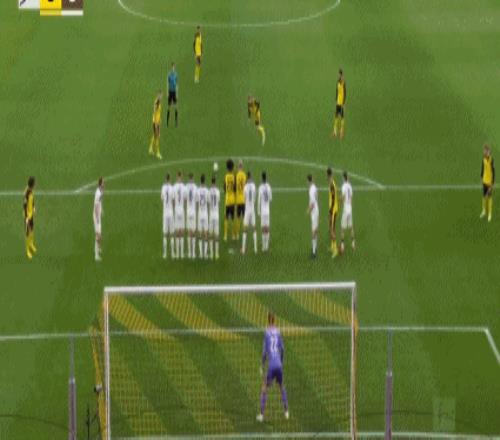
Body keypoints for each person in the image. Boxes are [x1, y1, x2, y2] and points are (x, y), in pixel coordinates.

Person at [256, 312, 289, 422]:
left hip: (271, 366)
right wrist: (281, 361)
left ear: (268, 320)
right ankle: (286, 412)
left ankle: (261, 415)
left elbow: (264, 352)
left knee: (264, 388)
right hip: (279, 364)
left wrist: (262, 365)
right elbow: (283, 349)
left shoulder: (266, 333)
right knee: (281, 386)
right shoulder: (278, 331)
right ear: (275, 320)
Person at [241, 172, 257, 254]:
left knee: (245, 229)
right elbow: (254, 198)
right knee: (254, 228)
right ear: (251, 177)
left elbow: (244, 199)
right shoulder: (254, 186)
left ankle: (243, 249)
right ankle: (255, 249)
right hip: (252, 209)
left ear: (247, 178)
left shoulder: (245, 187)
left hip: (247, 209)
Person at [161, 173, 176, 259]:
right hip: (170, 212)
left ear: (165, 178)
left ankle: (164, 253)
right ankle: (173, 253)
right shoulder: (172, 188)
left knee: (165, 234)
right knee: (172, 233)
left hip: (165, 212)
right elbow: (173, 201)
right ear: (169, 179)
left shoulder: (163, 187)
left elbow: (162, 199)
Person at [340, 171, 355, 252]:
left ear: (343, 178)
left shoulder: (344, 186)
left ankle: (342, 246)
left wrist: (338, 200)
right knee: (351, 227)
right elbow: (351, 197)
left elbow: (343, 196)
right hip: (350, 208)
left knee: (342, 228)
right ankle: (353, 244)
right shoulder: (350, 186)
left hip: (346, 209)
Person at [258, 172, 272, 252]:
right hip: (268, 210)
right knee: (267, 227)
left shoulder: (260, 187)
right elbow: (270, 198)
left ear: (261, 178)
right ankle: (267, 246)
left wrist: (258, 211)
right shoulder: (269, 187)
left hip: (263, 210)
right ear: (266, 178)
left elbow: (259, 200)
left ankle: (264, 246)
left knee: (263, 228)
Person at [173, 171, 186, 259]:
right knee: (181, 230)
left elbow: (173, 200)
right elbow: (185, 200)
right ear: (181, 177)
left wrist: (174, 208)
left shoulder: (174, 187)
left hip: (176, 210)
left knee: (177, 231)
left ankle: (177, 252)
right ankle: (181, 253)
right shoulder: (184, 187)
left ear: (177, 177)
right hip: (181, 209)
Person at [327, 167, 339, 258]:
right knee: (332, 228)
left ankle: (335, 250)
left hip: (333, 210)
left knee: (331, 230)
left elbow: (334, 197)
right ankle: (332, 246)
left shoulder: (331, 184)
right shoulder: (332, 182)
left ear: (328, 175)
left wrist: (331, 211)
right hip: (334, 209)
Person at [480, 144, 495, 222]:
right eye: (484, 151)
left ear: (489, 151)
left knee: (489, 197)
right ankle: (484, 211)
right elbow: (482, 169)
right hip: (484, 181)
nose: (485, 152)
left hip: (489, 181)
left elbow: (493, 171)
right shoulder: (483, 159)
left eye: (486, 151)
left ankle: (489, 214)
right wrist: (481, 177)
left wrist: (492, 183)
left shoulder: (491, 160)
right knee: (483, 196)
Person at [23, 176, 36, 260]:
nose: (35, 184)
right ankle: (27, 250)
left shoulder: (31, 191)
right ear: (32, 184)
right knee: (27, 233)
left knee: (32, 230)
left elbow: (32, 200)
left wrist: (34, 207)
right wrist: (26, 217)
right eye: (34, 183)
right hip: (27, 216)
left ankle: (31, 244)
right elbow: (24, 205)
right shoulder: (27, 193)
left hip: (31, 215)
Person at [185, 173, 198, 259]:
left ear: (188, 178)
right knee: (193, 231)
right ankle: (193, 253)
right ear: (192, 178)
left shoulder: (186, 187)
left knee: (189, 231)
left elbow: (185, 200)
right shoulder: (195, 187)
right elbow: (197, 201)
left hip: (188, 211)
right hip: (193, 211)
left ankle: (189, 252)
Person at [197, 174, 210, 259]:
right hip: (205, 213)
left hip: (199, 213)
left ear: (200, 180)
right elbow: (208, 203)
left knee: (200, 233)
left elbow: (197, 202)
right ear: (204, 180)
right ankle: (205, 254)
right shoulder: (207, 191)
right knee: (205, 233)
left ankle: (201, 253)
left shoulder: (197, 191)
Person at [224, 159, 236, 242]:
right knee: (232, 217)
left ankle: (225, 235)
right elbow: (235, 188)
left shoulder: (226, 176)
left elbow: (224, 187)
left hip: (227, 200)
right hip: (233, 200)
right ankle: (233, 235)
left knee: (226, 217)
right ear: (232, 167)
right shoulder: (234, 177)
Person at [332, 69, 346, 139]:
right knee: (336, 116)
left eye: (340, 75)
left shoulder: (343, 83)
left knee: (342, 117)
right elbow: (337, 91)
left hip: (341, 103)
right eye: (339, 74)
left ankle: (341, 133)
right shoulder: (338, 82)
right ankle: (335, 132)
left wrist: (343, 102)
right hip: (338, 102)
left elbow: (345, 93)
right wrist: (336, 99)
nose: (339, 76)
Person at [209, 176, 221, 260]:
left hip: (211, 214)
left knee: (210, 234)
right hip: (216, 214)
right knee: (216, 235)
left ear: (211, 182)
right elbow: (218, 201)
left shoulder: (209, 191)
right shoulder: (218, 191)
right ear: (215, 182)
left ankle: (211, 253)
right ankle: (216, 254)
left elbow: (208, 202)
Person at [307, 174, 319, 258]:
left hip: (314, 212)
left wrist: (308, 210)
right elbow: (317, 196)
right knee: (315, 230)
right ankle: (315, 247)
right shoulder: (314, 187)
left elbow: (313, 203)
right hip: (316, 210)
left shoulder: (311, 190)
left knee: (313, 231)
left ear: (308, 181)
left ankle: (314, 252)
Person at [149, 91, 163, 159]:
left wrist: (159, 119)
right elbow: (154, 113)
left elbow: (158, 112)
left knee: (155, 135)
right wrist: (155, 124)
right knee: (157, 136)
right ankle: (157, 152)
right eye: (160, 95)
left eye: (161, 95)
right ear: (158, 95)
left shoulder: (158, 102)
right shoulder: (157, 103)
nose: (161, 97)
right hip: (156, 122)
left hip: (157, 121)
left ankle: (150, 149)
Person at [93, 177, 104, 262]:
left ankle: (98, 248)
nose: (104, 184)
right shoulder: (98, 193)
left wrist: (102, 209)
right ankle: (96, 255)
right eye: (103, 182)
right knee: (98, 236)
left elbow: (100, 202)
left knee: (99, 235)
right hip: (96, 216)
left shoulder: (101, 190)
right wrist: (97, 218)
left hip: (98, 215)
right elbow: (96, 206)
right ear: (100, 184)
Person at [235, 160, 246, 240]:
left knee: (238, 217)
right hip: (244, 200)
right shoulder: (244, 175)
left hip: (238, 199)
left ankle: (238, 234)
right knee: (244, 217)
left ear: (238, 167)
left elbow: (235, 187)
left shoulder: (237, 175)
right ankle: (244, 232)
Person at [167, 63, 178, 127]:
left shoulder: (176, 75)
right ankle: (167, 122)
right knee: (169, 107)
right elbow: (168, 83)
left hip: (174, 92)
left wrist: (177, 93)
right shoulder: (169, 75)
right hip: (170, 92)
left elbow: (177, 84)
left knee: (175, 107)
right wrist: (167, 92)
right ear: (171, 68)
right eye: (172, 67)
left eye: (174, 67)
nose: (173, 68)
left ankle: (176, 122)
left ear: (174, 68)